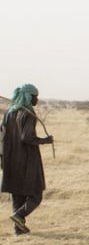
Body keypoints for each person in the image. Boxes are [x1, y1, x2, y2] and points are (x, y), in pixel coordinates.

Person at [1, 84, 53, 235]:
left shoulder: (10, 112)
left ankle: (18, 229)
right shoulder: (28, 113)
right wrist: (45, 140)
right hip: (27, 159)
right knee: (36, 194)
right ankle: (19, 215)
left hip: (11, 158)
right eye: (35, 96)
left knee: (17, 193)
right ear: (29, 96)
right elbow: (26, 138)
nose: (37, 99)